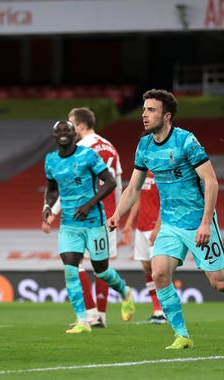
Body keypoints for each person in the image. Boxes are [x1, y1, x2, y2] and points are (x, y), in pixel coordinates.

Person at [108, 89, 224, 349]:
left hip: (198, 222)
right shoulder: (145, 145)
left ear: (167, 115)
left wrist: (206, 222)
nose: (144, 115)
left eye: (151, 110)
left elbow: (211, 181)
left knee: (220, 283)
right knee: (159, 272)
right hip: (170, 224)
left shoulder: (186, 141)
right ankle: (182, 335)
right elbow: (133, 187)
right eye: (144, 110)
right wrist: (118, 214)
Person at [43, 120, 135, 334]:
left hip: (94, 222)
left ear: (75, 133)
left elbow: (110, 182)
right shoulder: (50, 161)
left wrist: (88, 205)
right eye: (59, 131)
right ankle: (82, 320)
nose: (64, 133)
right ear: (54, 136)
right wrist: (48, 206)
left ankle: (124, 290)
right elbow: (52, 188)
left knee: (101, 271)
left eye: (68, 130)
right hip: (69, 225)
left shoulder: (88, 155)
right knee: (70, 269)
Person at [122, 171, 167, 324]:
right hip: (141, 228)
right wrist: (129, 224)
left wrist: (157, 228)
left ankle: (165, 311)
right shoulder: (143, 173)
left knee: (158, 271)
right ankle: (157, 311)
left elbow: (166, 202)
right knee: (147, 269)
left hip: (155, 227)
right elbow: (138, 199)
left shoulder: (162, 174)